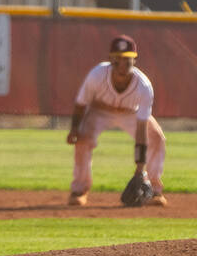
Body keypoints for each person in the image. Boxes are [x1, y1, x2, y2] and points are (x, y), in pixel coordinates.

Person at [66, 34, 167, 207]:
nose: (123, 64)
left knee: (156, 137)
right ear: (111, 60)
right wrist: (75, 128)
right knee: (83, 139)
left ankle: (154, 190)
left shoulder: (143, 86)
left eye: (128, 59)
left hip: (130, 113)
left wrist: (139, 168)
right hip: (99, 111)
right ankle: (79, 190)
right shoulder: (97, 74)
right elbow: (81, 104)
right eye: (119, 59)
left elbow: (142, 128)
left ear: (134, 61)